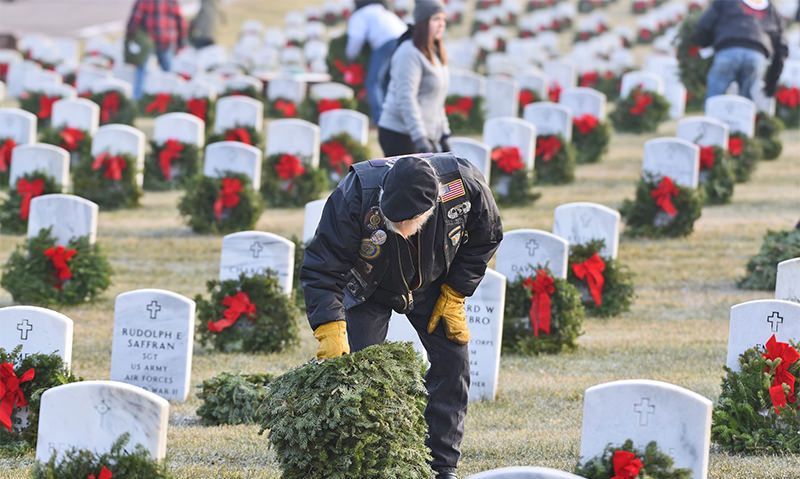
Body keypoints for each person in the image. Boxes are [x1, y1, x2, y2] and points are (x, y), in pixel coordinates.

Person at [301, 153, 503, 479]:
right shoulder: (356, 193)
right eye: (394, 224)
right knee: (358, 374)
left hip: (433, 283)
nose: (402, 231)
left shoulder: (463, 186)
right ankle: (362, 465)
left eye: (409, 224)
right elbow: (322, 266)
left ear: (432, 205)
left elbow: (487, 236)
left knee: (454, 364)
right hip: (368, 285)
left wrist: (455, 293)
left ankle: (442, 465)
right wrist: (330, 326)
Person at [378, 0, 451, 157]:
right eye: (436, 19)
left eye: (443, 19)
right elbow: (406, 97)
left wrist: (444, 133)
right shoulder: (409, 53)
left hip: (424, 134)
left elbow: (436, 99)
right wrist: (420, 138)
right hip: (400, 134)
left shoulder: (435, 53)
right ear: (423, 22)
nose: (441, 24)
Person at [694, 0, 788, 100]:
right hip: (757, 55)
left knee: (714, 97)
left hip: (728, 49)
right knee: (746, 102)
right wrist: (771, 82)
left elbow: (704, 26)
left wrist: (705, 44)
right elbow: (781, 47)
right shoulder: (771, 9)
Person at [345, 0, 407, 123]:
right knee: (389, 81)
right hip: (404, 41)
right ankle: (394, 117)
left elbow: (356, 39)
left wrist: (350, 57)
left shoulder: (360, 15)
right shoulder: (382, 10)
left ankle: (381, 119)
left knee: (373, 82)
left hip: (386, 43)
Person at [125, 0, 187, 100]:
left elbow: (135, 18)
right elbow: (180, 20)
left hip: (147, 39)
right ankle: (172, 98)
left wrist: (130, 35)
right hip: (164, 38)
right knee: (167, 71)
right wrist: (181, 42)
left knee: (141, 70)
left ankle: (137, 98)